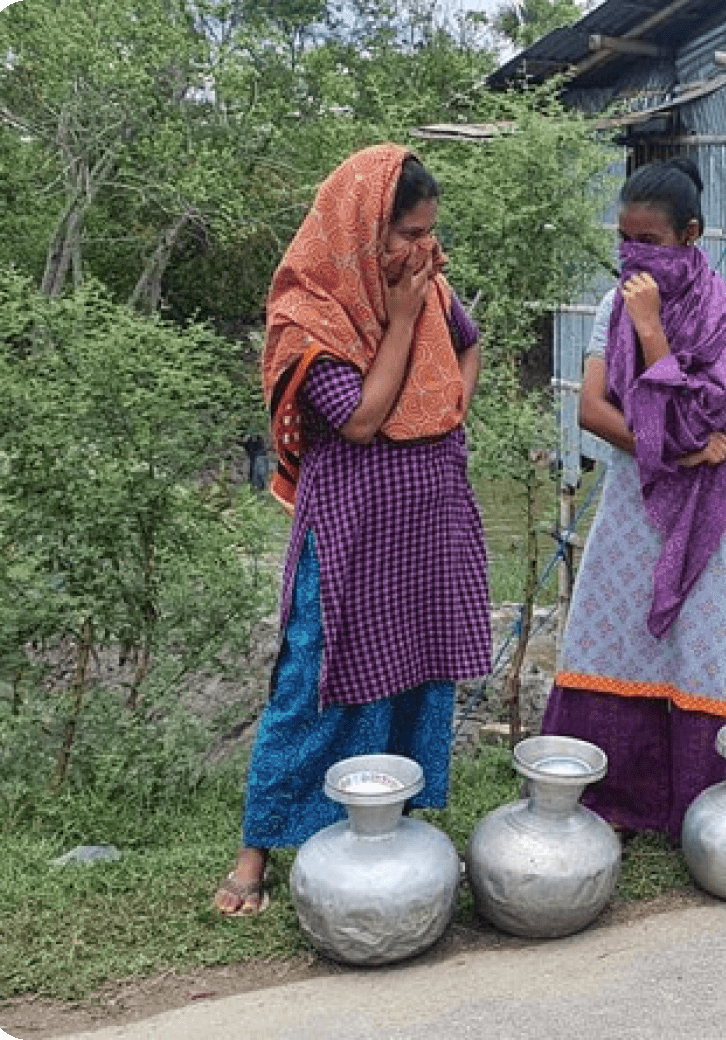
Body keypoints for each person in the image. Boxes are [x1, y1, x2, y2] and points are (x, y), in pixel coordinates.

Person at [214, 145, 489, 915]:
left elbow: (467, 344)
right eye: (404, 233)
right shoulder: (312, 312)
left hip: (428, 519)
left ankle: (387, 827)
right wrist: (401, 323)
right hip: (351, 532)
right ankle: (254, 855)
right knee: (316, 680)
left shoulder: (426, 281)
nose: (419, 251)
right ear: (361, 228)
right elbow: (364, 420)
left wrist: (451, 407)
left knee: (409, 670)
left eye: (428, 232)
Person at [541, 158, 726, 843]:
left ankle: (690, 809)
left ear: (692, 234)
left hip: (707, 515)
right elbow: (593, 413)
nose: (633, 259)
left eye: (650, 243)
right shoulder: (613, 309)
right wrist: (678, 450)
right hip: (635, 501)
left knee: (697, 644)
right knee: (610, 634)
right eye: (624, 242)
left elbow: (707, 414)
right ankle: (608, 798)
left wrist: (654, 332)